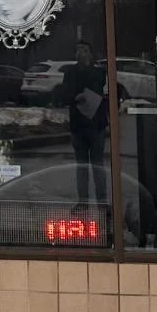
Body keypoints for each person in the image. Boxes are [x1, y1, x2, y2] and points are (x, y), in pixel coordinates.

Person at [60, 38, 107, 206]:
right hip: (78, 125)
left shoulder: (99, 72)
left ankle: (102, 201)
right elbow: (64, 95)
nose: (81, 53)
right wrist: (75, 97)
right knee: (81, 166)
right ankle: (83, 201)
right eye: (78, 50)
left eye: (85, 50)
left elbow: (98, 88)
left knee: (97, 165)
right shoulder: (70, 72)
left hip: (96, 125)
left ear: (91, 54)